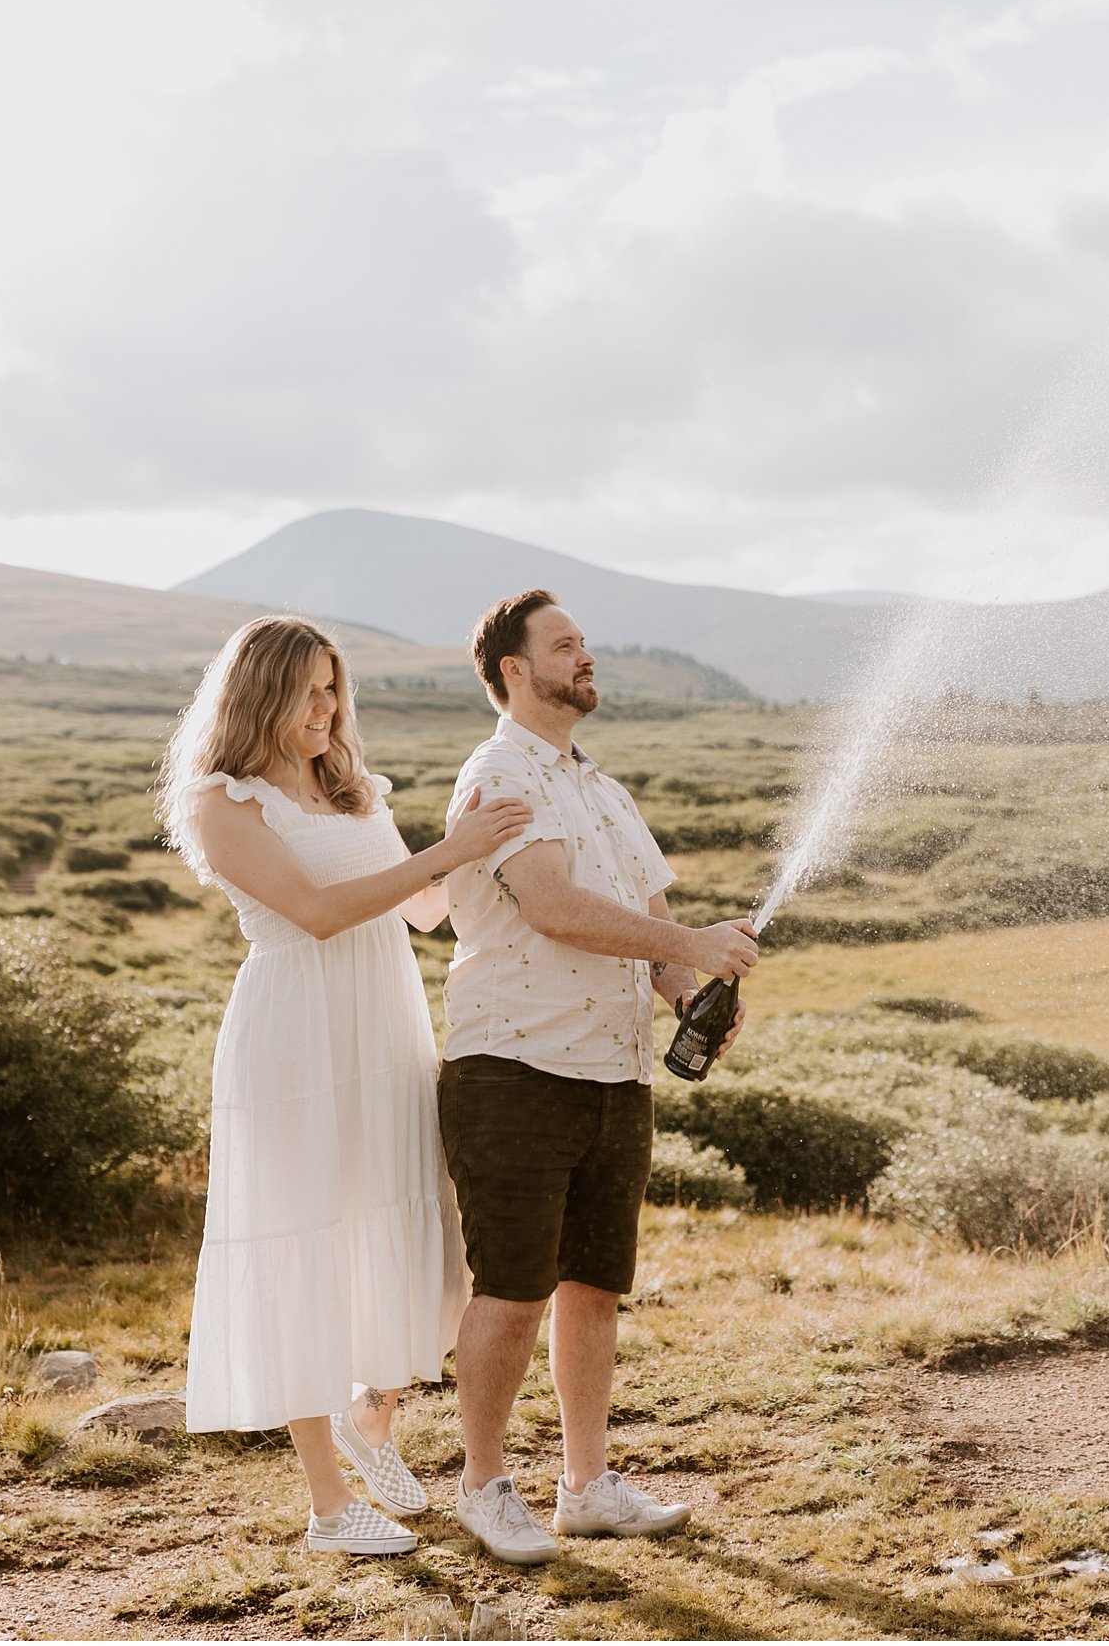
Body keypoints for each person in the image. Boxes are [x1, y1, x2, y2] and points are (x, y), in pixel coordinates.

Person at [157, 615, 533, 1557]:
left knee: (415, 1230)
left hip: (384, 1030)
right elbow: (319, 912)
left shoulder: (354, 791)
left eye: (336, 688)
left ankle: (373, 1420)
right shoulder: (223, 801)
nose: (329, 708)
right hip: (295, 1042)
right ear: (262, 694)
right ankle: (329, 1504)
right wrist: (443, 854)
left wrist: (472, 835)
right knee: (304, 1247)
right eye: (311, 690)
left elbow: (426, 907)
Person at [435, 588, 760, 1565]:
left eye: (585, 644)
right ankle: (484, 1485)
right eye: (565, 646)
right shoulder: (500, 775)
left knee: (592, 1287)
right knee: (513, 1286)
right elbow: (550, 905)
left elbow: (647, 928)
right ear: (513, 672)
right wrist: (689, 940)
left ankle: (585, 1486)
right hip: (512, 1064)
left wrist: (687, 990)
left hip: (614, 1074)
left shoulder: (606, 792)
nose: (586, 658)